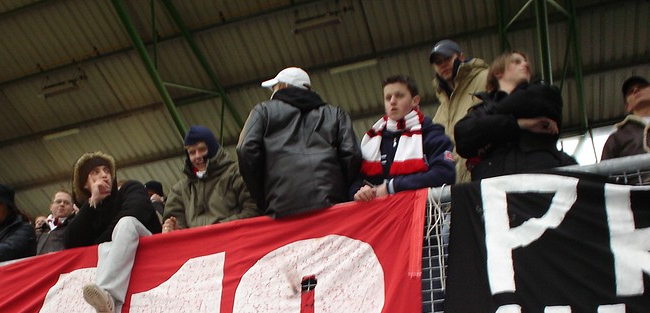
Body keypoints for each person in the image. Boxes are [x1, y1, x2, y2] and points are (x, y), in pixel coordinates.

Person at [236, 67, 361, 218]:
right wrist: (342, 190)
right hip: (332, 204)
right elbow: (352, 154)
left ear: (283, 86)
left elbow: (245, 149)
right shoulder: (335, 114)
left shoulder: (263, 111)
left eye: (274, 88)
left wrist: (263, 197)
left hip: (282, 207)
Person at [64, 151, 161, 313]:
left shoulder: (131, 188)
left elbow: (137, 211)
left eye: (107, 170)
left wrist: (99, 243)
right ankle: (105, 301)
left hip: (150, 248)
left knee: (126, 223)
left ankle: (107, 292)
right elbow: (70, 242)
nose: (104, 175)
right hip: (125, 257)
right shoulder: (89, 213)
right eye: (95, 172)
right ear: (85, 184)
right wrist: (91, 203)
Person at [454, 50, 576, 181]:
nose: (526, 65)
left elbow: (532, 101)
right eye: (517, 62)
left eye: (526, 62)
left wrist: (491, 118)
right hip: (496, 186)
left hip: (541, 178)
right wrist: (519, 124)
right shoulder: (480, 108)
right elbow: (463, 136)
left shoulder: (543, 92)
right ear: (498, 72)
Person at [351, 75, 455, 201]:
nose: (392, 101)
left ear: (415, 101)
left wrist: (393, 187)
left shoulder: (431, 133)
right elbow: (356, 182)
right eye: (388, 98)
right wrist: (360, 192)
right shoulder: (373, 140)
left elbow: (445, 173)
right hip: (385, 212)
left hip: (423, 211)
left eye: (399, 96)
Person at [162, 126, 258, 232]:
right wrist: (175, 228)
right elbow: (175, 220)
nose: (197, 156)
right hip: (198, 242)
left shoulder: (237, 173)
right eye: (192, 152)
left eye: (202, 149)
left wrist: (218, 229)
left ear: (213, 149)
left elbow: (253, 210)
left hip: (235, 237)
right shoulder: (179, 190)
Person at [429, 39, 489, 183]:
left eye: (447, 58)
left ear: (461, 57)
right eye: (438, 62)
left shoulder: (486, 78)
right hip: (457, 187)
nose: (443, 64)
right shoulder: (440, 113)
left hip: (486, 177)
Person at [601, 75, 650, 160]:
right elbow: (606, 166)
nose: (636, 90)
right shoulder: (617, 138)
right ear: (628, 106)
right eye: (630, 92)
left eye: (642, 86)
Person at [36, 189, 76, 254]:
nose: (62, 204)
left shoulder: (75, 227)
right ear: (51, 207)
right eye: (58, 201)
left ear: (72, 209)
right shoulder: (40, 230)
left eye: (66, 203)